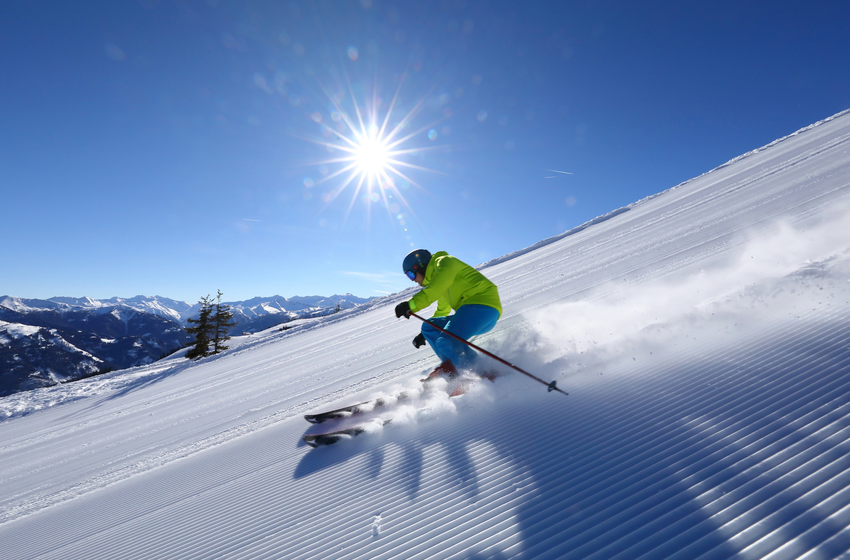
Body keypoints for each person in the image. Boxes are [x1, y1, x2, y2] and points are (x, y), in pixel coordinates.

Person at [394, 249, 502, 380]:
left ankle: (457, 373)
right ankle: (466, 368)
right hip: (472, 314)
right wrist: (424, 334)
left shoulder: (445, 262)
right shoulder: (438, 278)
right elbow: (442, 309)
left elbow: (435, 288)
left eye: (411, 275)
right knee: (429, 327)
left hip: (483, 306)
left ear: (420, 266)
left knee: (446, 340)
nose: (412, 280)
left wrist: (410, 305)